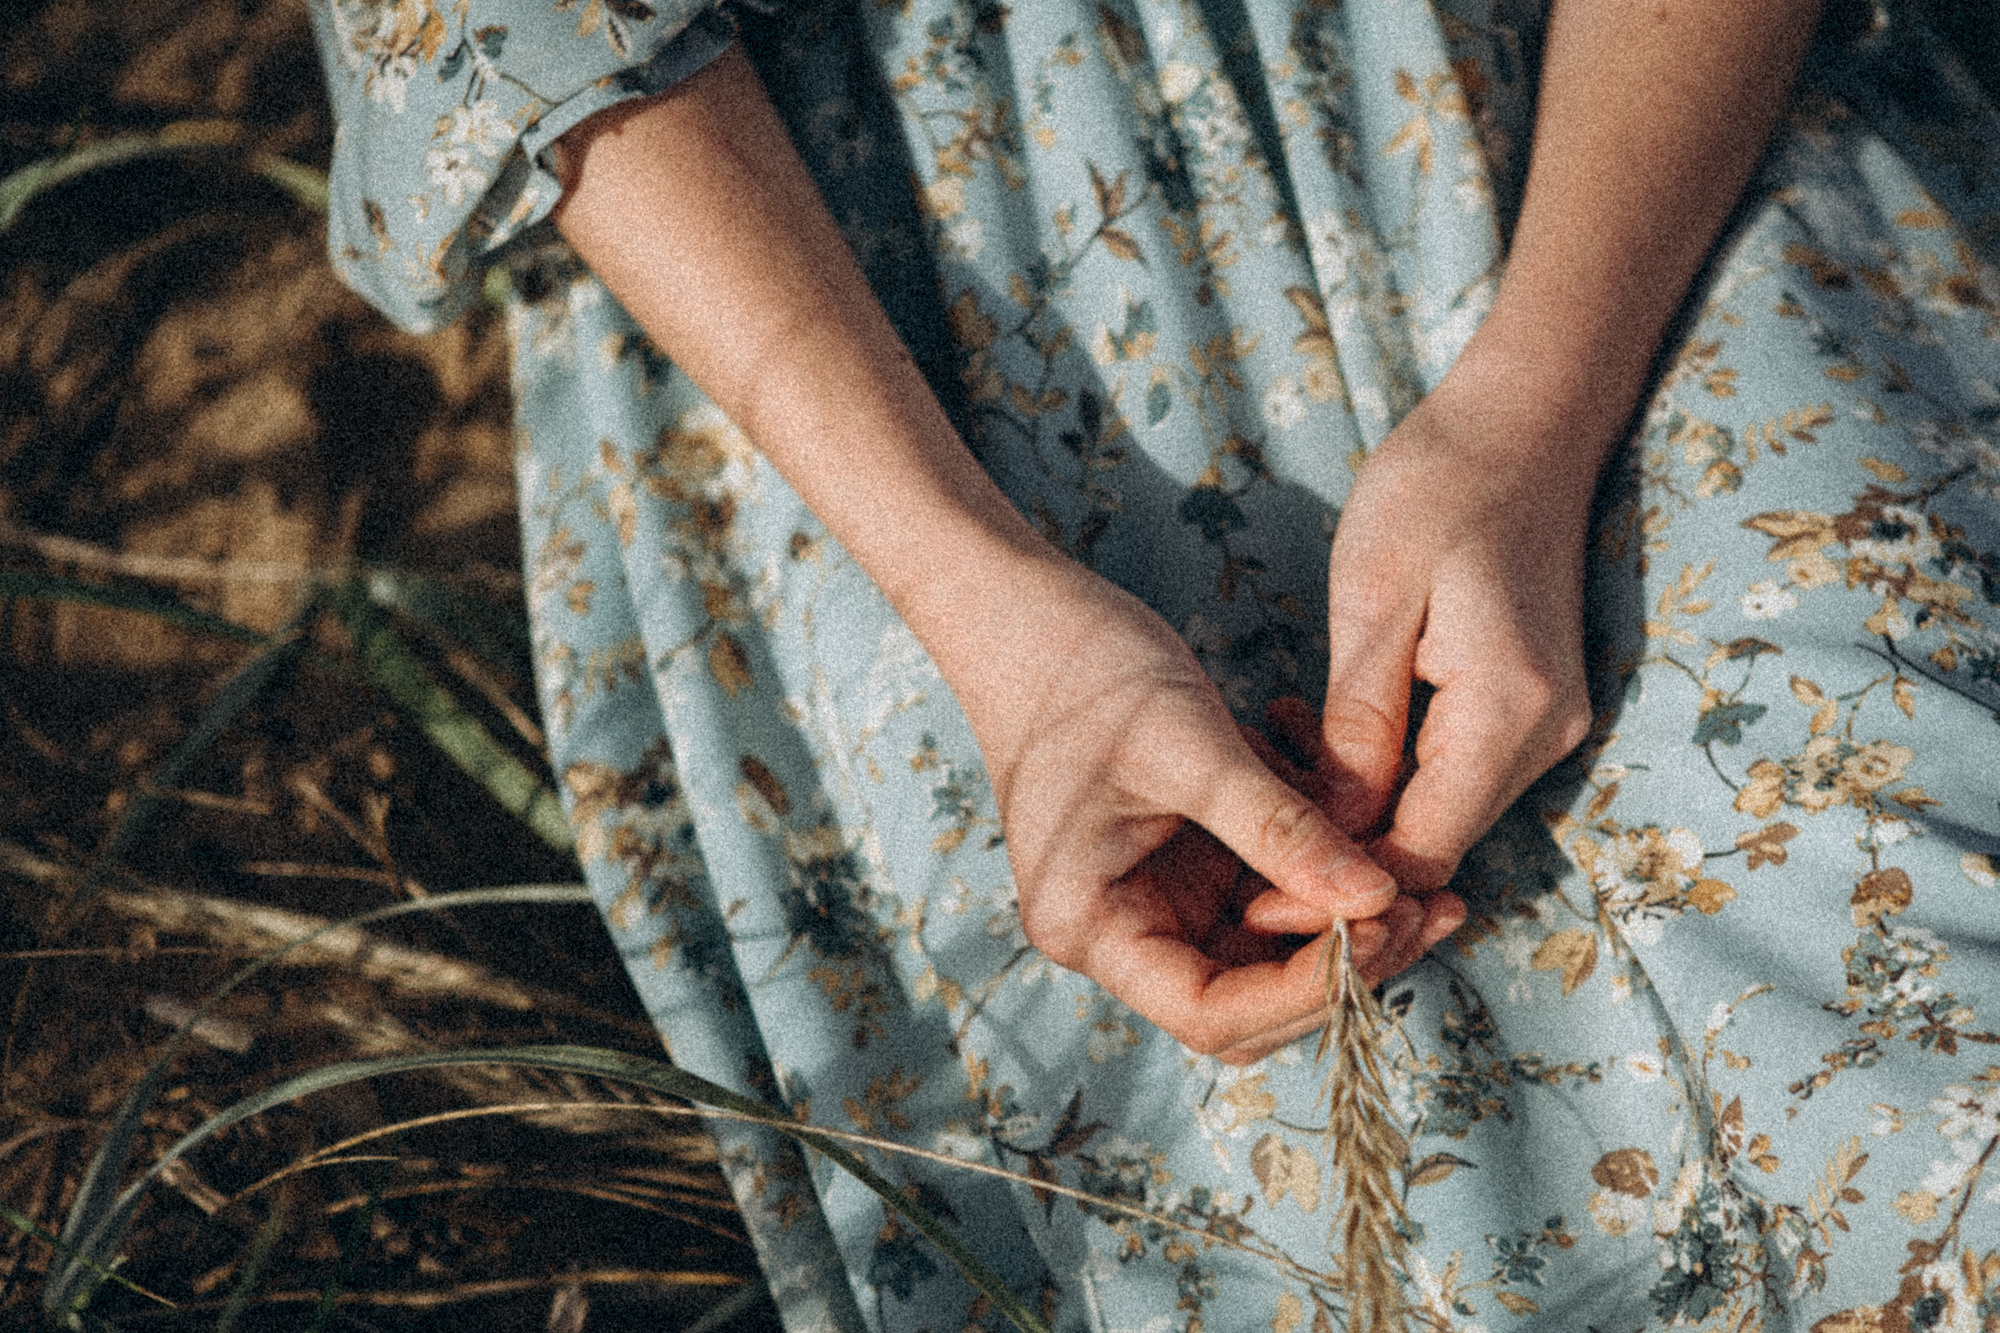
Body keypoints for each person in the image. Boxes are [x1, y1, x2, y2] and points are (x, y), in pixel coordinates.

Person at [308, 0, 2000, 1324]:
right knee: (1261, 1213)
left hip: (1595, 126)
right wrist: (991, 618)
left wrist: (1536, 403)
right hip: (836, 314)